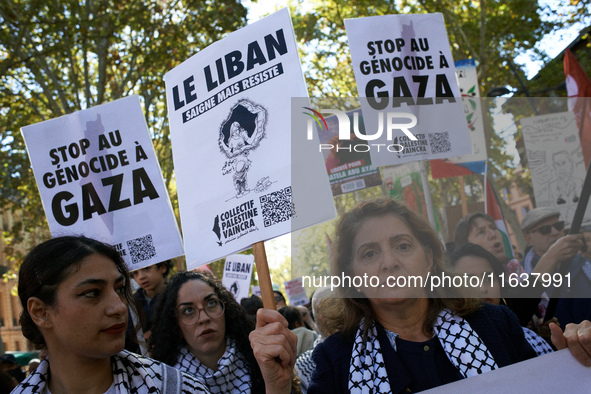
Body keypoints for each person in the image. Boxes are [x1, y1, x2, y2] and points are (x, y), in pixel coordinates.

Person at [308, 199, 591, 393]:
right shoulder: (335, 361)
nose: (389, 262)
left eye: (403, 246)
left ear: (429, 258)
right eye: (369, 253)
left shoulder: (495, 324)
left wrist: (573, 364)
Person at [12, 235, 210, 394]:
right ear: (40, 312)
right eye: (92, 293)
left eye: (120, 290)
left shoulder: (178, 388)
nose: (120, 307)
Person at [149, 271, 299, 393]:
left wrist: (278, 387)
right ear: (174, 322)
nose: (204, 318)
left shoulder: (263, 362)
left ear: (225, 309)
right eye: (188, 310)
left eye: (211, 303)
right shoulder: (161, 384)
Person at [449, 243, 553, 355]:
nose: (483, 288)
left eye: (489, 278)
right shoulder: (451, 348)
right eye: (470, 281)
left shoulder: (529, 338)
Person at [131, 260, 171, 336]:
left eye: (146, 268)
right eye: (135, 273)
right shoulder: (132, 303)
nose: (141, 277)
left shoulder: (176, 297)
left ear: (163, 267)